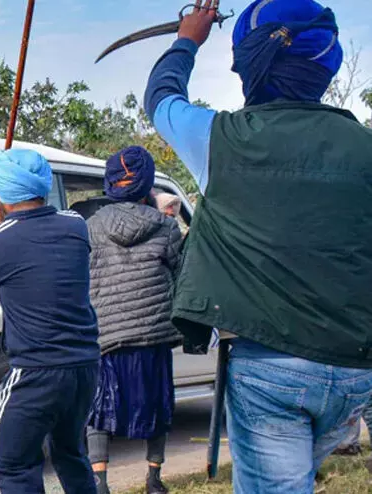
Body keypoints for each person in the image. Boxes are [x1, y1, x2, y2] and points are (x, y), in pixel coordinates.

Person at [144, 0, 372, 492]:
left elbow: (161, 99)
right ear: (327, 66)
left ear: (248, 62)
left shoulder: (220, 140)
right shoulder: (365, 146)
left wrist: (188, 39)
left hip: (268, 370)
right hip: (357, 370)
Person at [0, 148, 100, 494]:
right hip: (84, 366)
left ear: (1, 195)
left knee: (8, 465)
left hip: (37, 370)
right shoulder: (76, 227)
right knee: (71, 454)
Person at [83, 147, 183, 494]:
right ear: (147, 186)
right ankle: (154, 480)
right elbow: (180, 276)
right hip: (153, 336)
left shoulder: (91, 228)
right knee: (157, 407)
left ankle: (100, 482)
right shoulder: (168, 228)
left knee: (99, 412)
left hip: (105, 336)